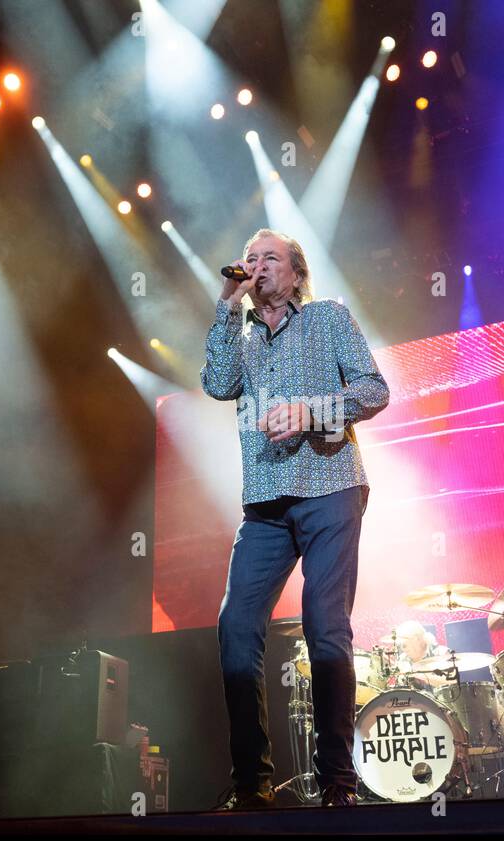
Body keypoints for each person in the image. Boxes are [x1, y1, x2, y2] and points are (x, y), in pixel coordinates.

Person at [202, 228, 389, 809]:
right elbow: (216, 384)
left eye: (269, 258)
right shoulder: (242, 331)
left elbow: (374, 390)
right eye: (249, 258)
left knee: (324, 626)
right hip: (265, 503)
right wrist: (225, 309)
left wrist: (310, 411)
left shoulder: (328, 317)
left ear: (296, 273)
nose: (255, 266)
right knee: (236, 627)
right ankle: (251, 784)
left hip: (330, 487)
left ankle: (337, 779)